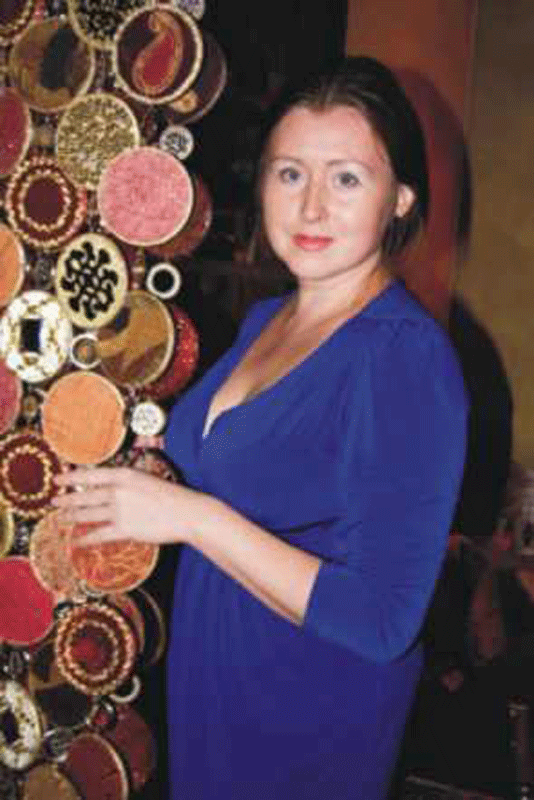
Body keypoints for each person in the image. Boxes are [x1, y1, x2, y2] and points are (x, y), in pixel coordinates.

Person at [54, 56, 468, 800]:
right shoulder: (266, 321)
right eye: (290, 173)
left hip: (305, 721)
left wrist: (192, 516)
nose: (311, 208)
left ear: (401, 197)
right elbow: (244, 480)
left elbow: (381, 620)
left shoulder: (404, 358)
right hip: (215, 690)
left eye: (347, 178)